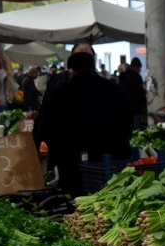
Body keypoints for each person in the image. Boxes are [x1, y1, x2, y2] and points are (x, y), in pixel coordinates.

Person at [38, 52, 133, 196]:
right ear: (93, 67)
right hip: (114, 168)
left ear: (70, 72)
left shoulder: (61, 94)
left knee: (77, 211)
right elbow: (129, 125)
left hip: (74, 171)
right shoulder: (118, 90)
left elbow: (50, 130)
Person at [119, 57, 147, 130]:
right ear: (137, 67)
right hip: (135, 108)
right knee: (136, 130)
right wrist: (144, 106)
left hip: (123, 107)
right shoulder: (137, 77)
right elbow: (140, 93)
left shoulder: (122, 76)